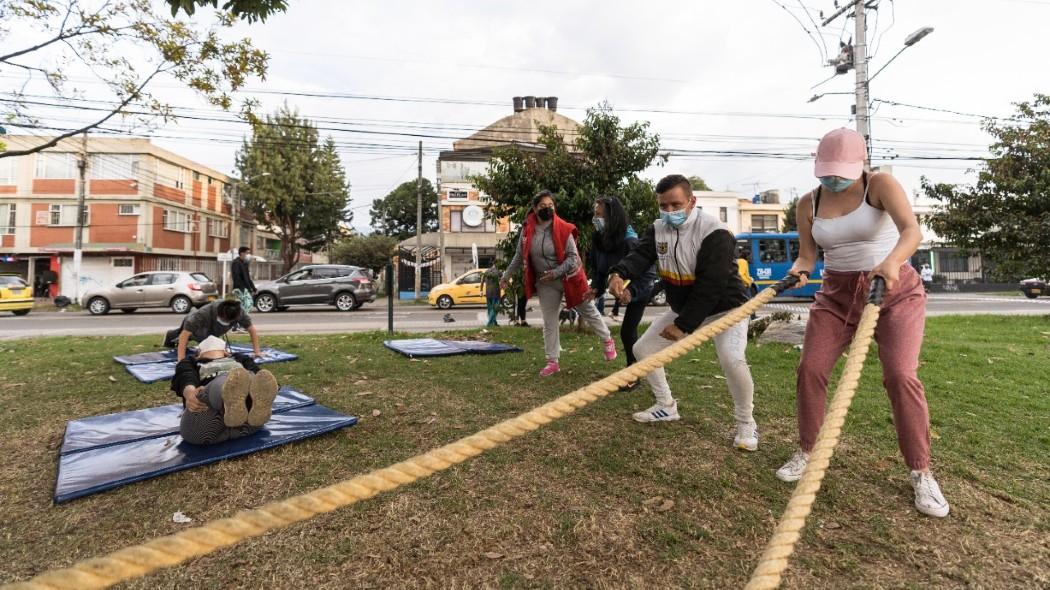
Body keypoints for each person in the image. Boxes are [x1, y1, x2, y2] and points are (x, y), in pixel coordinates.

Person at [776, 128, 949, 518]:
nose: (833, 178)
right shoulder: (809, 202)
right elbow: (808, 256)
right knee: (811, 369)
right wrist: (797, 271)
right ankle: (808, 450)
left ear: (860, 164)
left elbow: (911, 231)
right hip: (836, 296)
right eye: (826, 171)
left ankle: (921, 471)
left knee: (901, 376)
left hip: (893, 290)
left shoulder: (881, 184)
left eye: (841, 170)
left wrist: (890, 261)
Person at [608, 174, 759, 452]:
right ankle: (666, 406)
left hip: (726, 310)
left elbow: (711, 286)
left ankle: (746, 423)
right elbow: (641, 256)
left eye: (675, 205)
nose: (669, 212)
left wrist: (683, 325)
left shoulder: (715, 232)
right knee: (643, 350)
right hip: (686, 310)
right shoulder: (658, 229)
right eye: (663, 206)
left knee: (732, 358)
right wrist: (619, 273)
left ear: (692, 201)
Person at [501, 190, 617, 377]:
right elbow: (518, 256)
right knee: (549, 321)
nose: (547, 209)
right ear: (534, 208)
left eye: (551, 206)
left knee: (588, 310)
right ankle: (552, 361)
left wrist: (555, 272)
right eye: (543, 206)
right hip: (545, 283)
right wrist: (506, 276)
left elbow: (573, 258)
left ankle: (607, 340)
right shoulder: (527, 229)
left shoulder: (563, 228)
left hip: (569, 278)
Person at [588, 195, 657, 391]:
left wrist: (631, 291)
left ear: (613, 217)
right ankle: (633, 370)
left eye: (600, 215)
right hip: (617, 286)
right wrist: (596, 288)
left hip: (639, 288)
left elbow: (649, 272)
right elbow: (598, 267)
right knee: (627, 332)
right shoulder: (599, 238)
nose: (596, 219)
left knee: (628, 331)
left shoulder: (630, 240)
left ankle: (633, 374)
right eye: (595, 215)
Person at [171, 336, 278, 445]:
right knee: (229, 380)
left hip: (247, 424)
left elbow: (260, 378)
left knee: (248, 377)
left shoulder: (239, 358)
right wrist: (190, 393)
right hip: (206, 423)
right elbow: (185, 376)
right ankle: (232, 403)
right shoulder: (190, 362)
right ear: (225, 352)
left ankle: (242, 405)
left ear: (199, 353)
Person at [162, 299, 262, 362]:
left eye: (229, 321)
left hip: (214, 330)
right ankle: (170, 335)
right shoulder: (203, 314)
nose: (226, 322)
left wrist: (257, 352)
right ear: (219, 314)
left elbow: (252, 330)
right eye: (224, 320)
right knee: (184, 337)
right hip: (197, 325)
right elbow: (185, 334)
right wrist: (181, 359)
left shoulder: (239, 312)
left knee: (210, 342)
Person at [231, 247, 256, 326]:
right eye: (247, 253)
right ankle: (237, 326)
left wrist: (253, 287)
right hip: (239, 289)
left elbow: (247, 277)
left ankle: (240, 325)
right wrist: (243, 288)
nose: (248, 255)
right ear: (242, 253)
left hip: (244, 289)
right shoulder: (236, 263)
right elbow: (236, 277)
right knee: (243, 307)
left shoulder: (244, 263)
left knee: (247, 306)